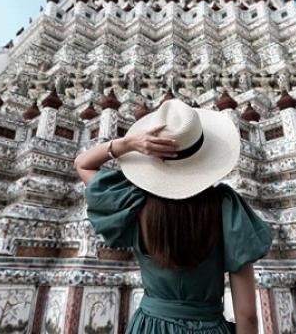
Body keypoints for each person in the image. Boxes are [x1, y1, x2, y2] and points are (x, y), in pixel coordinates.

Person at [75, 99, 273, 334]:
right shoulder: (226, 207)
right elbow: (247, 315)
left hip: (149, 327)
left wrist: (128, 144)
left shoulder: (133, 203)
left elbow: (83, 164)